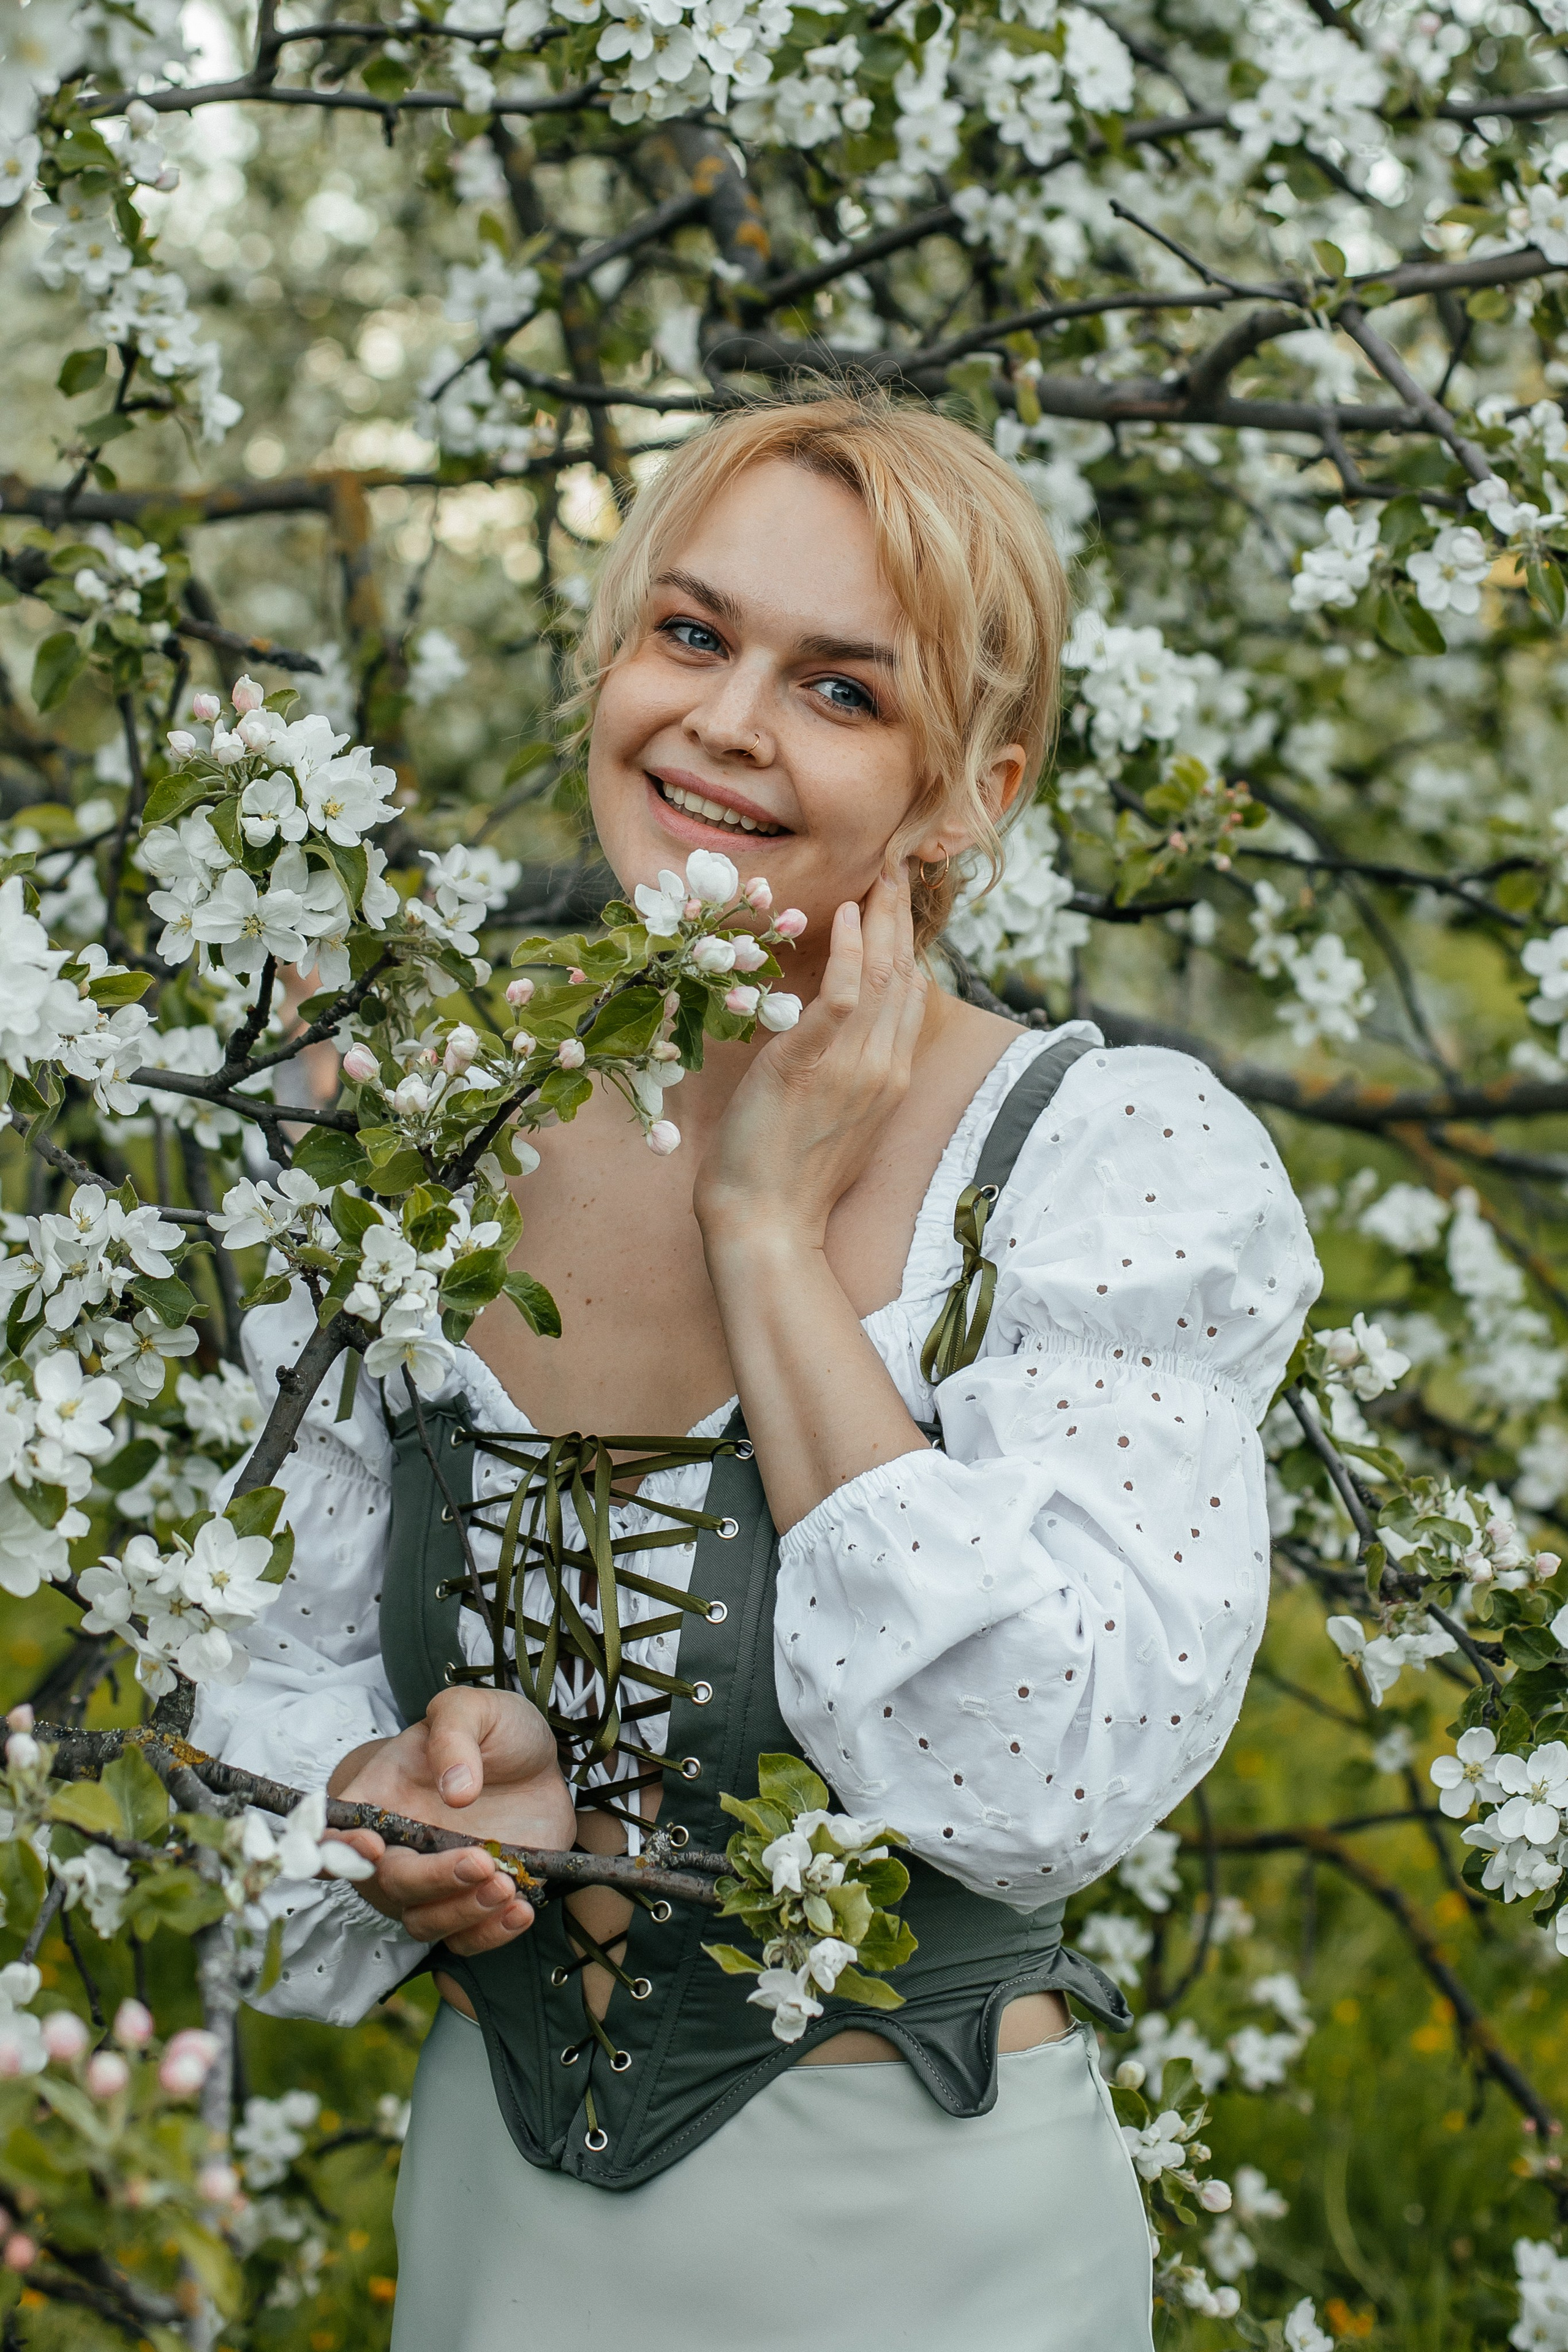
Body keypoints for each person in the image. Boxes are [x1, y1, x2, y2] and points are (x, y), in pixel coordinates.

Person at [197, 388, 1321, 2349]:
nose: (722, 722)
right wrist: (404, 1800)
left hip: (924, 2244)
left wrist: (769, 1230)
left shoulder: (1101, 1158)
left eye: (842, 689)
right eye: (693, 635)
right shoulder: (429, 1137)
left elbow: (1039, 1781)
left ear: (975, 789)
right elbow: (263, 1681)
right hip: (503, 2223)